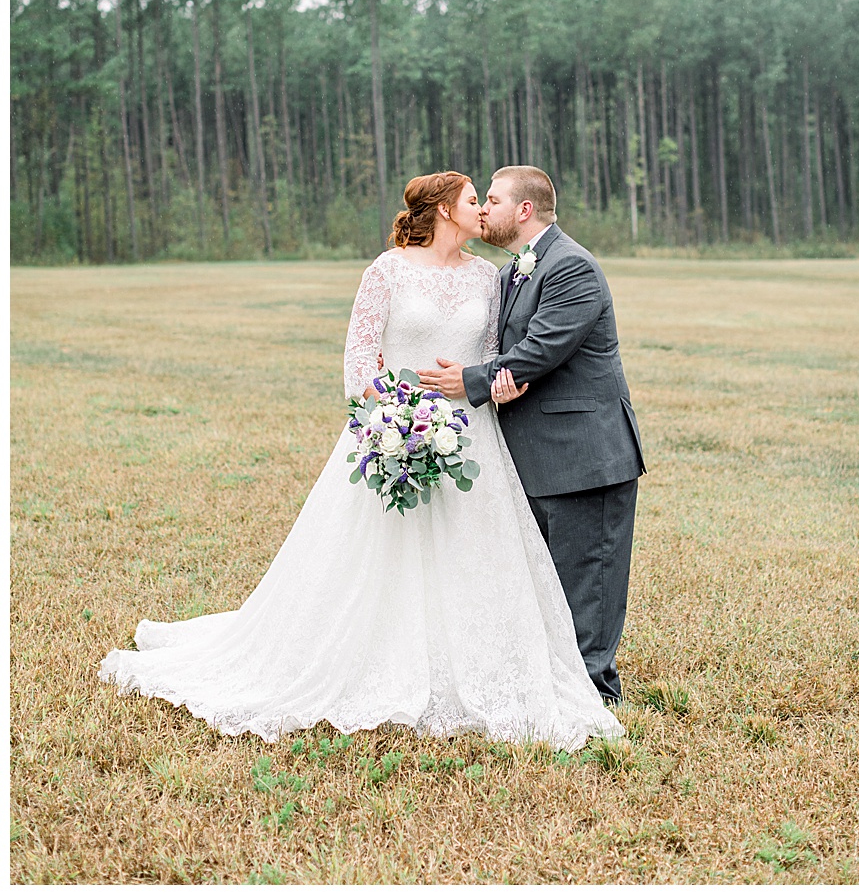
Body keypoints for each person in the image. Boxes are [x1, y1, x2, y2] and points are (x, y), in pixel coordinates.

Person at [100, 172, 622, 750]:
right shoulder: (387, 271)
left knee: (476, 561)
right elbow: (357, 368)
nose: (481, 210)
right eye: (475, 200)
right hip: (394, 429)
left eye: (488, 200)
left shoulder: (489, 277)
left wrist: (491, 390)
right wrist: (400, 418)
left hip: (473, 439)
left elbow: (499, 358)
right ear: (446, 211)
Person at [418, 165, 644, 705]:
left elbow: (541, 349)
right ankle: (552, 687)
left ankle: (592, 699)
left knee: (587, 584)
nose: (483, 209)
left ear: (524, 211)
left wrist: (469, 382)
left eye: (491, 200)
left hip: (586, 457)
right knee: (546, 584)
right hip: (536, 457)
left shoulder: (572, 268)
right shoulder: (510, 273)